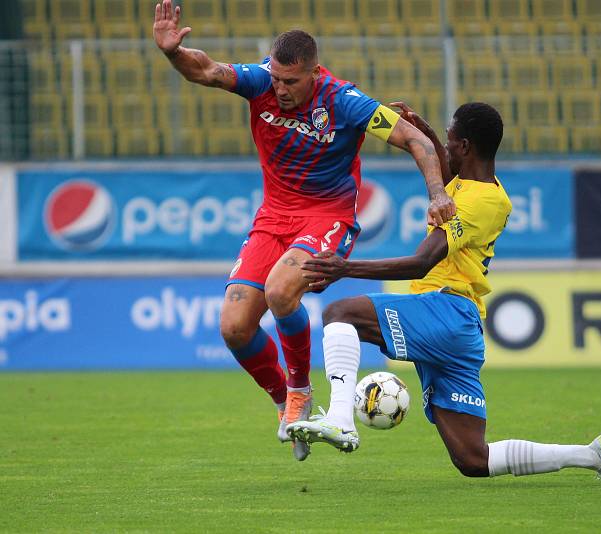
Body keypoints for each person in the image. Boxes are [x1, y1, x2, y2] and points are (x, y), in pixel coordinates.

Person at [152, 1, 456, 461]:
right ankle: (284, 401)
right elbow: (207, 71)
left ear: (314, 73)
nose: (280, 88)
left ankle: (299, 390)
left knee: (280, 293)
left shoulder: (345, 101)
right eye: (275, 78)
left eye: (290, 81)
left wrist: (436, 194)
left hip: (326, 216)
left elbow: (414, 140)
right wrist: (174, 53)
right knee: (234, 328)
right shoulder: (261, 82)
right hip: (273, 217)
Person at [286, 102, 601, 484]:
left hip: (445, 309)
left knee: (338, 313)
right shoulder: (471, 184)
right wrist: (428, 136)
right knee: (473, 458)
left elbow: (421, 263)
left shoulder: (476, 204)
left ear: (467, 147)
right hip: (458, 328)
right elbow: (448, 170)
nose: (446, 147)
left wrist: (344, 268)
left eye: (452, 140)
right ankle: (594, 456)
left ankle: (341, 421)